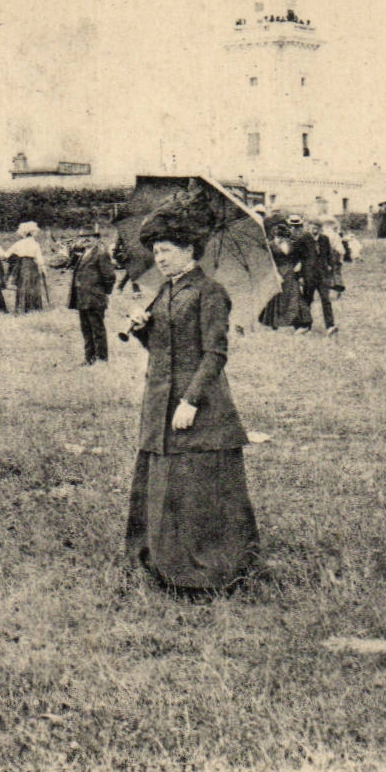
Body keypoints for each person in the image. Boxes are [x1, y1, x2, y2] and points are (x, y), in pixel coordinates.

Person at [123, 210, 259, 594]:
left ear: (189, 249)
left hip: (197, 404)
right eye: (155, 251)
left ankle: (205, 567)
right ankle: (163, 559)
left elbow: (214, 354)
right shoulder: (167, 289)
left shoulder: (210, 292)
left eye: (166, 250)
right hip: (159, 400)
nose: (159, 258)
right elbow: (161, 349)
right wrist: (141, 330)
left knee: (196, 484)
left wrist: (191, 401)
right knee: (162, 480)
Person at [66, 222, 116, 364]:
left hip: (94, 297)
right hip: (82, 298)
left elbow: (109, 276)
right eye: (83, 237)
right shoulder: (83, 254)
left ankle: (101, 359)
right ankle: (89, 358)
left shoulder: (101, 253)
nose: (85, 240)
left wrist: (102, 292)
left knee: (97, 330)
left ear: (96, 238)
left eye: (90, 237)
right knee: (86, 329)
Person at [294, 216, 338, 334]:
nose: (315, 230)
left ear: (320, 229)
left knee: (326, 300)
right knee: (307, 300)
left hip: (322, 275)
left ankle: (330, 326)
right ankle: (305, 326)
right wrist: (300, 276)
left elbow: (329, 256)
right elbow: (296, 259)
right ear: (308, 227)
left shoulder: (325, 239)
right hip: (308, 275)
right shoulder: (302, 240)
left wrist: (329, 267)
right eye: (313, 227)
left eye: (317, 227)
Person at [5, 221, 52, 313]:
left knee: (22, 285)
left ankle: (21, 308)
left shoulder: (18, 243)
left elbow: (6, 255)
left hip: (21, 265)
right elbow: (40, 260)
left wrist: (14, 260)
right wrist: (43, 269)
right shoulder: (35, 244)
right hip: (32, 265)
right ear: (33, 232)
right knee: (33, 285)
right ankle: (33, 308)